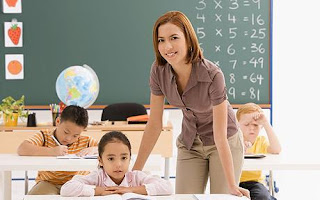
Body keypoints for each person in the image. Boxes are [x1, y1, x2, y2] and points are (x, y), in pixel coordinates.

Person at [132, 11, 249, 198]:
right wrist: (135, 172)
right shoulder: (158, 70)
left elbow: (220, 136)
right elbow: (154, 124)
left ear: (188, 39)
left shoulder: (212, 75)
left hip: (223, 142)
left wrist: (231, 185)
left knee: (222, 196)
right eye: (161, 40)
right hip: (190, 143)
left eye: (174, 38)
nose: (167, 46)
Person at [60, 131, 173, 197]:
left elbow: (167, 187)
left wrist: (131, 190)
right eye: (111, 159)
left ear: (129, 158)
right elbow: (67, 189)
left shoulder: (135, 177)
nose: (118, 164)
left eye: (124, 158)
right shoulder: (98, 177)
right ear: (100, 160)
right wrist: (100, 191)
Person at [17, 105, 98, 195]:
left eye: (75, 135)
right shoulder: (45, 136)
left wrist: (94, 149)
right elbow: (22, 148)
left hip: (76, 183)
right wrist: (52, 151)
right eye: (66, 132)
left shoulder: (85, 140)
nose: (69, 138)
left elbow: (108, 148)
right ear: (58, 121)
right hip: (48, 182)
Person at [236, 103, 281, 200]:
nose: (251, 128)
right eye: (246, 124)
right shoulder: (233, 140)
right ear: (237, 125)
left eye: (256, 125)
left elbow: (276, 149)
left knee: (263, 197)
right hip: (234, 181)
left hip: (255, 182)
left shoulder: (261, 140)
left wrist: (266, 123)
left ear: (261, 127)